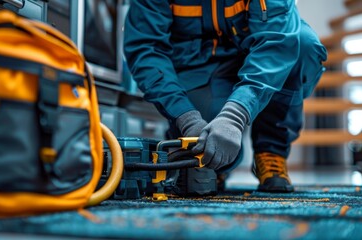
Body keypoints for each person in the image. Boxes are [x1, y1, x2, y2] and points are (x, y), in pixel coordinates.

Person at [123, 0, 327, 193]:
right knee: (209, 145)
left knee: (303, 45)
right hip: (198, 68)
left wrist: (234, 116)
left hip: (253, 54)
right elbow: (146, 48)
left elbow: (277, 44)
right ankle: (215, 165)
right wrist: (186, 117)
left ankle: (271, 151)